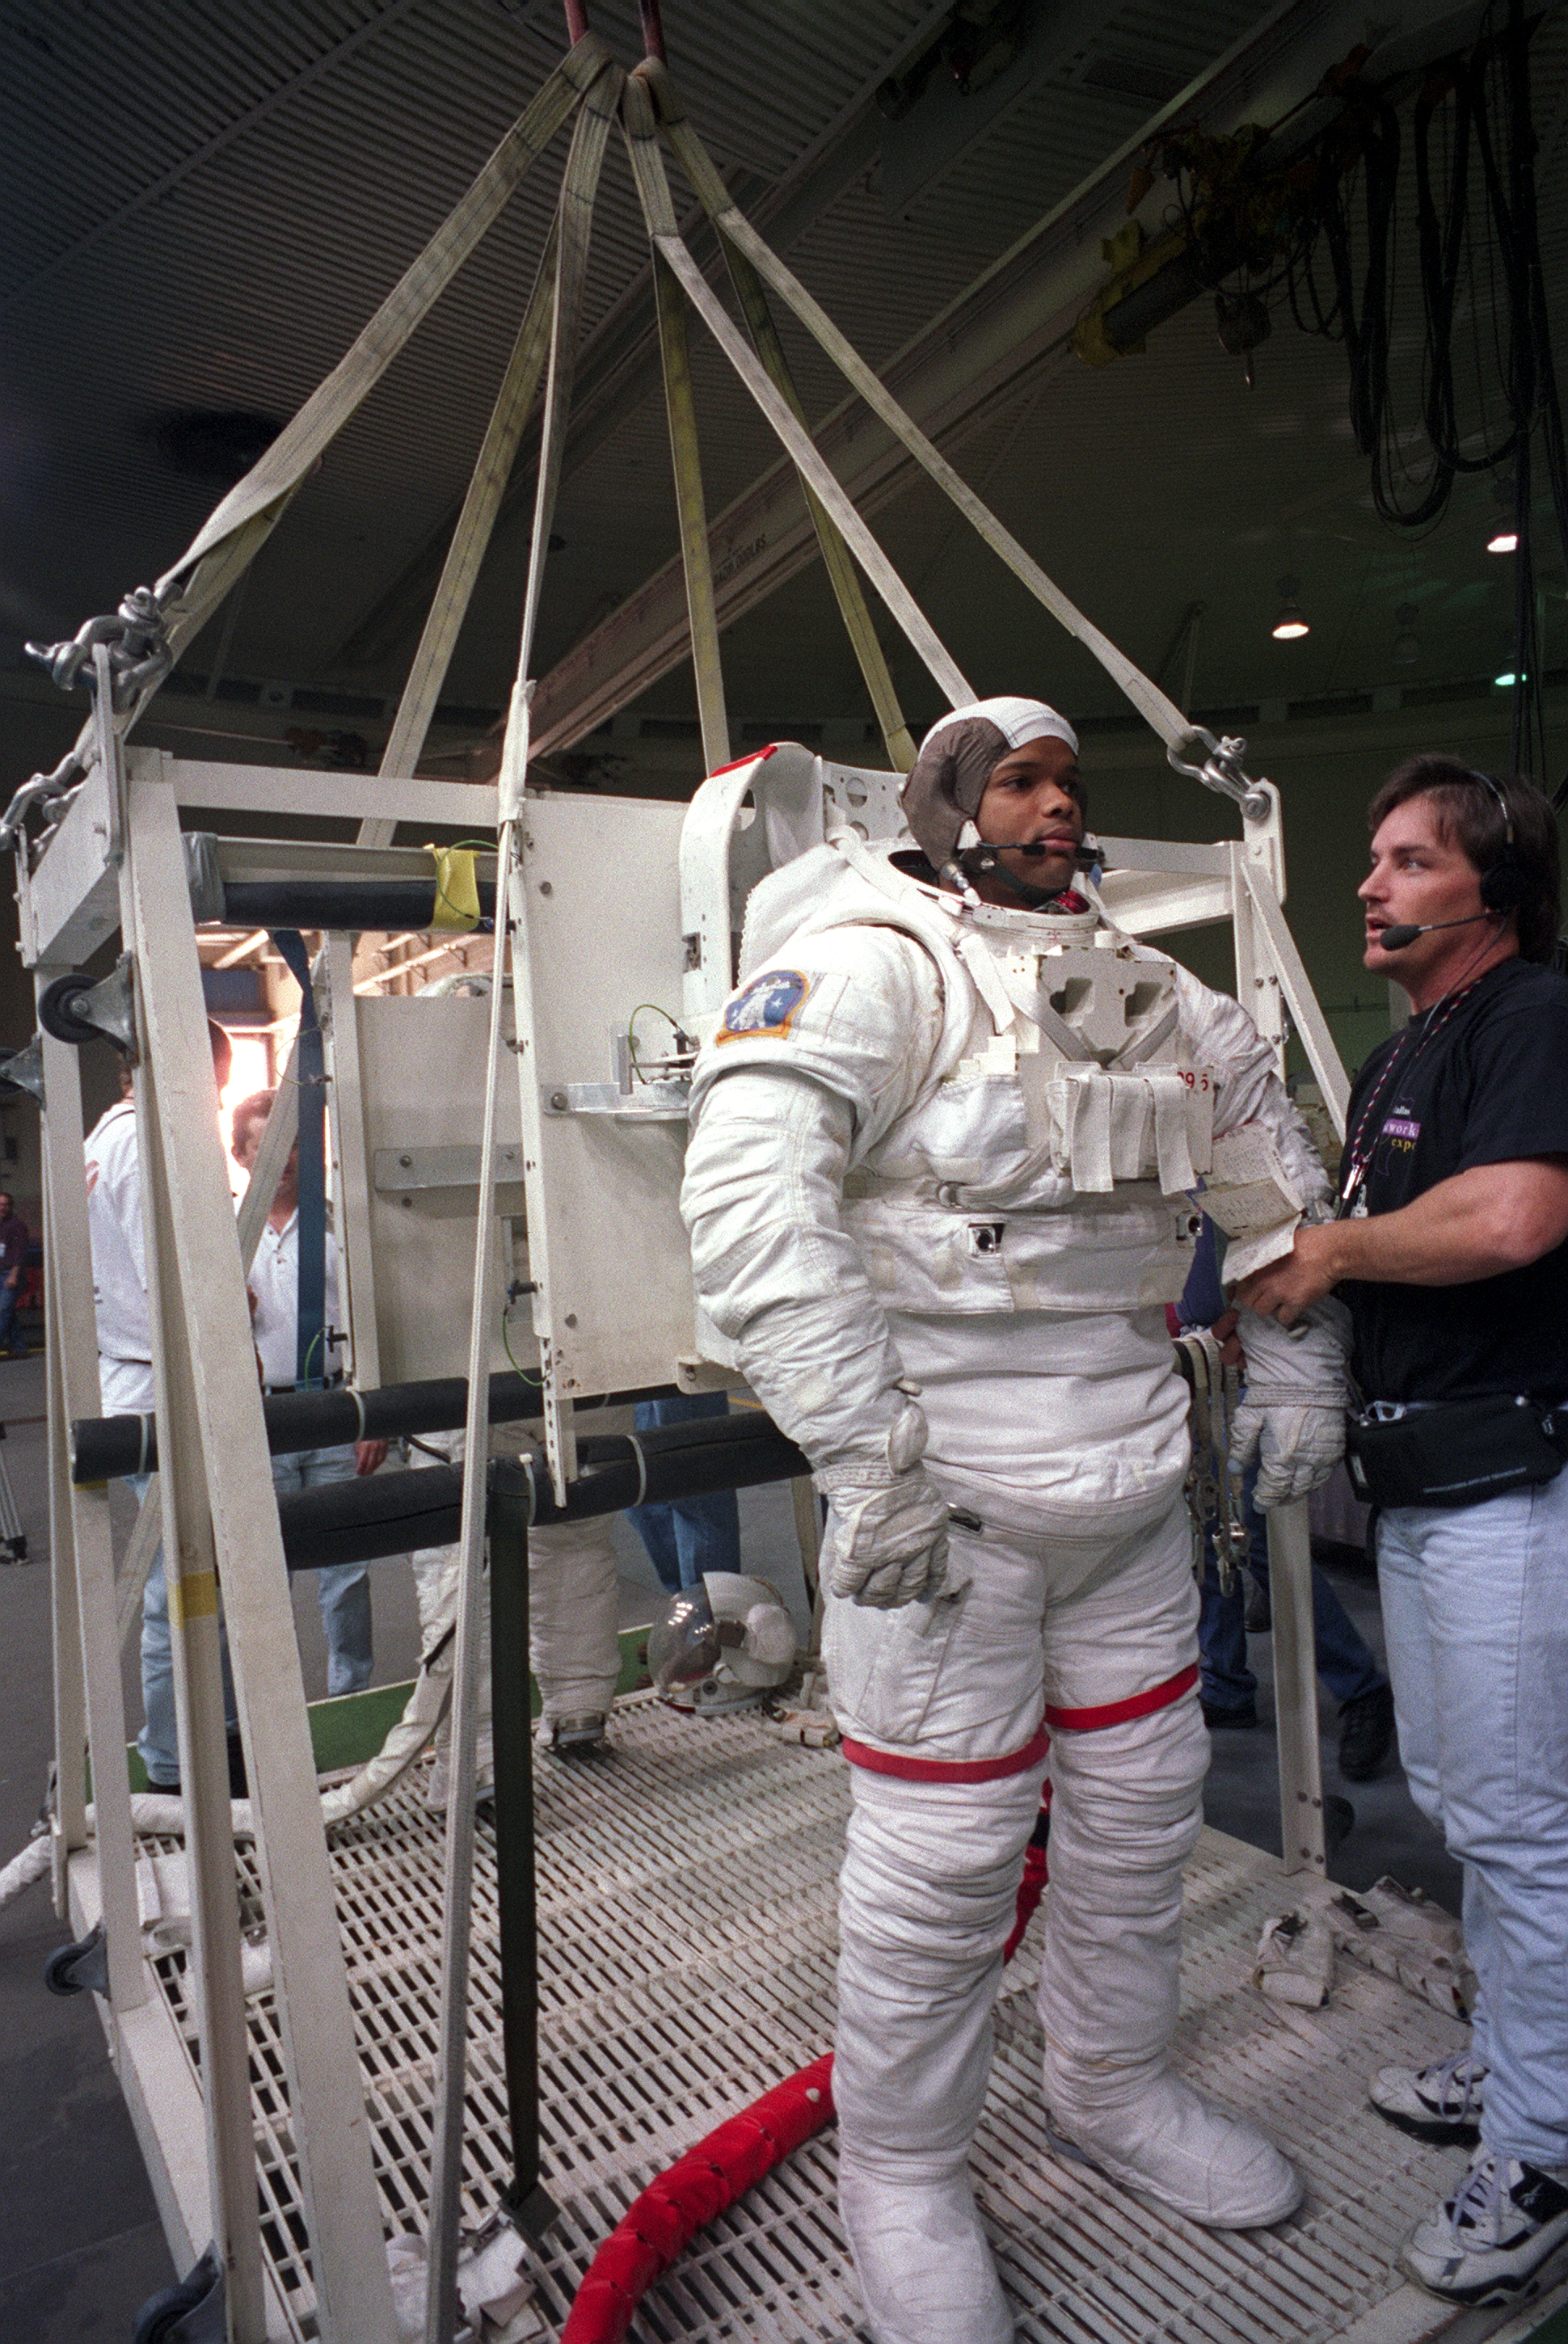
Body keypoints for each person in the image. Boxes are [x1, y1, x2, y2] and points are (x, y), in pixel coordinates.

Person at [681, 697, 1348, 2344]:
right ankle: (902, 2172)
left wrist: (1297, 1373)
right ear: (946, 802)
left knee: (1141, 1806)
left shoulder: (1165, 1000)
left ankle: (1107, 2083)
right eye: (1020, 781)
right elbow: (751, 1210)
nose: (1054, 806)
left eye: (1067, 782)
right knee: (949, 1855)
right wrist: (866, 1460)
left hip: (1126, 1487)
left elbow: (1278, 1198)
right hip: (943, 1505)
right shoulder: (870, 965)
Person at [1237, 755, 1568, 2310]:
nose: (1371, 884)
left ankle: (1550, 2141)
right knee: (1460, 1796)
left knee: (1517, 1820)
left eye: (1408, 861)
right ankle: (1516, 2065)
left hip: (1516, 1483)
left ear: (1489, 889)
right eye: (1373, 860)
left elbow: (1511, 1221)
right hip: (1431, 1491)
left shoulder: (1528, 1018)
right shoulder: (1398, 1062)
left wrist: (1329, 1249)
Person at [1176, 1218, 1396, 1779]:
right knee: (1201, 1524)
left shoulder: (1218, 1156)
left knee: (1259, 1529)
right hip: (1182, 1359)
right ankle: (1225, 1682)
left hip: (1246, 1354)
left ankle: (1360, 1686)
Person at [86, 1026, 245, 1792]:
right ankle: (178, 1762)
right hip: (161, 1393)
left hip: (130, 1380)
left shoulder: (103, 1137)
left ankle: (207, 1736)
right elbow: (172, 1286)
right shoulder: (149, 1145)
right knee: (181, 1586)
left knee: (188, 1579)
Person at [230, 1091, 386, 1698]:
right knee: (265, 1576)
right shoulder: (225, 1234)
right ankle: (275, 1712)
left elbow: (368, 1320)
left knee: (345, 1571)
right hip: (260, 1420)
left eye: (292, 1143)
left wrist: (373, 1415)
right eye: (265, 1144)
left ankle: (352, 1694)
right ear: (239, 1153)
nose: (283, 1158)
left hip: (331, 1412)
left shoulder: (337, 1226)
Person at [0, 1191, 29, 1357]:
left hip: (10, 1274)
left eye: (5, 1204)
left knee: (2, 1311)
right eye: (0, 1204)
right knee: (7, 1312)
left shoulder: (17, 1226)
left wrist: (13, 1275)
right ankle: (19, 1347)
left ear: (10, 1207)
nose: (2, 1208)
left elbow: (20, 1253)